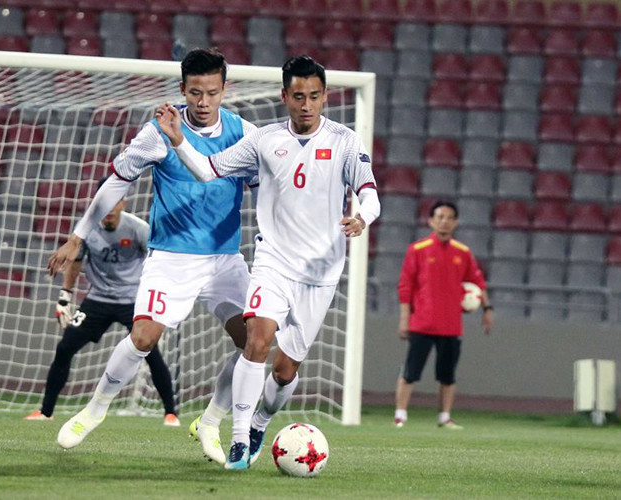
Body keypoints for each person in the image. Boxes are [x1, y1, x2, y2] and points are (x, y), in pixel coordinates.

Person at [155, 55, 381, 470]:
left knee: (284, 370)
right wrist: (178, 141)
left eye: (314, 96)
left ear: (325, 96)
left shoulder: (345, 141)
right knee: (256, 340)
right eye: (298, 97)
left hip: (320, 273)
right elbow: (207, 170)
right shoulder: (262, 140)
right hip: (273, 262)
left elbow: (369, 192)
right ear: (284, 96)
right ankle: (240, 439)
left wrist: (362, 216)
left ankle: (261, 422)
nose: (306, 105)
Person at [49, 48, 258, 464]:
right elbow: (117, 181)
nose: (203, 102)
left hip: (224, 259)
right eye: (195, 92)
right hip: (172, 257)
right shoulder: (158, 131)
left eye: (212, 93)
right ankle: (95, 410)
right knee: (143, 337)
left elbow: (265, 188)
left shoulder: (245, 134)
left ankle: (211, 421)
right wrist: (78, 236)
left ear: (224, 90)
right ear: (182, 89)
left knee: (256, 342)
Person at [25, 178, 179, 426]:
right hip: (97, 300)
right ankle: (46, 412)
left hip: (132, 301)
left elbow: (158, 262)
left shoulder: (138, 229)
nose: (108, 209)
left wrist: (158, 296)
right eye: (104, 203)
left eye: (113, 202)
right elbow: (75, 263)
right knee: (64, 348)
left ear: (122, 203)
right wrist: (65, 296)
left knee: (150, 351)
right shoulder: (86, 230)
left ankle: (171, 413)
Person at [394, 200, 494, 430]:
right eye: (440, 217)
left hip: (451, 325)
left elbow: (478, 282)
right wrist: (404, 319)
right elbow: (405, 286)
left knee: (448, 375)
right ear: (431, 220)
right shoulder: (417, 250)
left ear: (456, 222)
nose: (444, 222)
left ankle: (445, 417)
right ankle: (400, 415)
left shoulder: (463, 252)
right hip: (422, 323)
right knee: (410, 372)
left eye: (449, 218)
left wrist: (487, 308)